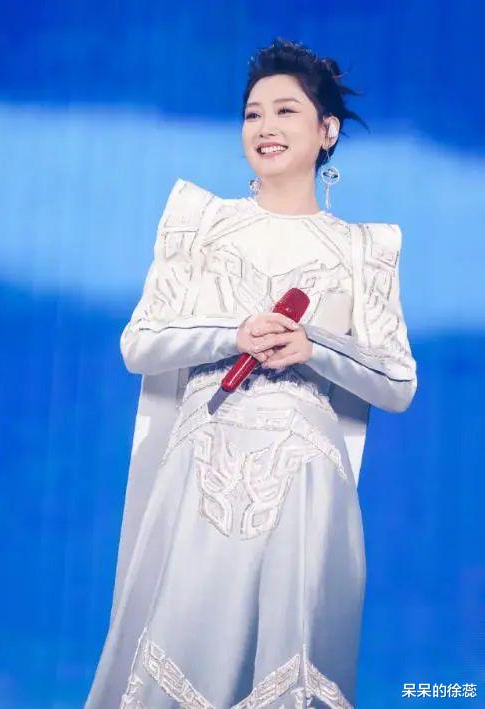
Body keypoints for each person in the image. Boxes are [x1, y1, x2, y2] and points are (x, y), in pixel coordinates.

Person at [84, 37, 418, 709]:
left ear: (327, 131)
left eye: (286, 111)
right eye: (253, 113)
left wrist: (313, 346)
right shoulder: (202, 225)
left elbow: (398, 382)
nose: (266, 126)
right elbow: (139, 344)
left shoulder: (363, 250)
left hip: (303, 485)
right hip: (201, 468)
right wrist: (231, 334)